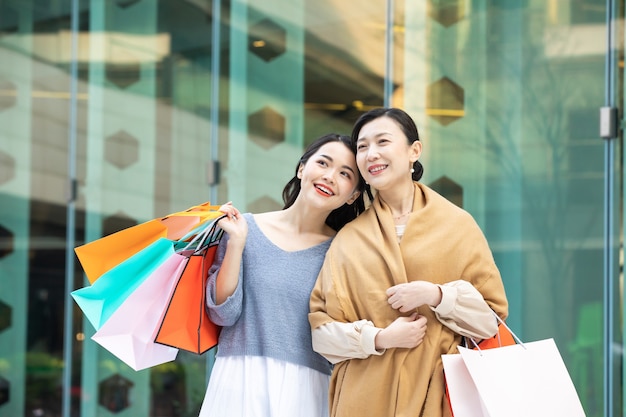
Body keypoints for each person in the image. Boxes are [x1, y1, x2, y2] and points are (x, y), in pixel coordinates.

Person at [309, 108, 509, 417]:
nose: (371, 154)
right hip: (364, 399)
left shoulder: (457, 225)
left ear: (414, 150)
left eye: (382, 142)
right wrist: (380, 338)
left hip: (439, 395)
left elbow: (491, 321)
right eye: (362, 147)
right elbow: (323, 334)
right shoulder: (349, 239)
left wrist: (437, 296)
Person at [198, 133, 366, 417]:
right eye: (323, 163)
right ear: (302, 168)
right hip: (238, 382)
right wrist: (237, 244)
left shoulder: (344, 252)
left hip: (308, 390)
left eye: (345, 174)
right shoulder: (242, 229)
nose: (329, 176)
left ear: (353, 195)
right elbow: (222, 315)